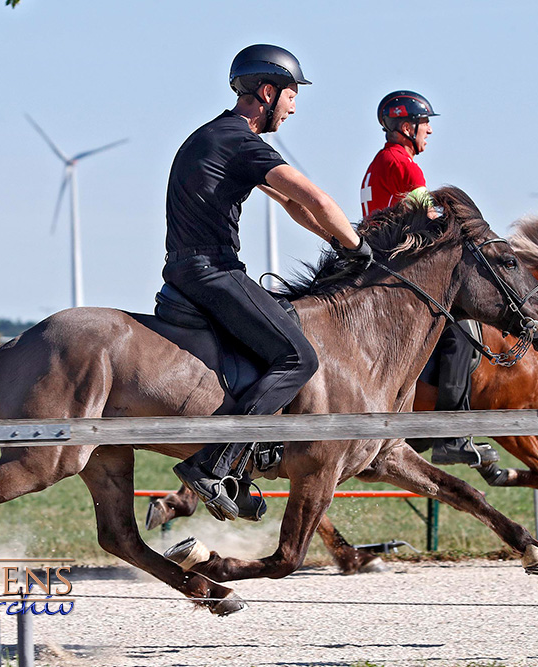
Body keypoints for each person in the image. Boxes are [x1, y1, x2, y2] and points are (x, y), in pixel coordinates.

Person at [165, 44, 372, 522]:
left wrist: (338, 243)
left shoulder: (215, 136)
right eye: (292, 95)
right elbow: (315, 197)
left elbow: (291, 205)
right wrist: (358, 245)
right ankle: (216, 466)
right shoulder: (240, 140)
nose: (295, 106)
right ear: (268, 91)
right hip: (211, 270)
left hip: (187, 267)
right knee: (297, 356)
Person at [360, 90, 498, 468]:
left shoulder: (381, 161)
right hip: (401, 272)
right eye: (425, 124)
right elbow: (437, 221)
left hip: (380, 266)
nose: (430, 132)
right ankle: (451, 435)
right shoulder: (405, 165)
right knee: (464, 331)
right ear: (407, 127)